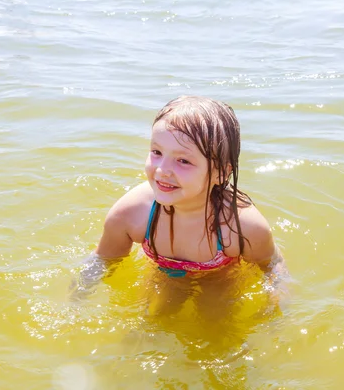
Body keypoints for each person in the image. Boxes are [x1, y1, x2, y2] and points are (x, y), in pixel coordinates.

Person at [77, 95, 288, 304]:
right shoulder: (131, 213)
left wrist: (276, 309)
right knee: (147, 327)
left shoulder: (243, 227)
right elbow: (103, 259)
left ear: (221, 173)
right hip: (162, 273)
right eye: (157, 152)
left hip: (219, 276)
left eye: (183, 160)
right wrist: (77, 297)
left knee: (216, 325)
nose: (162, 170)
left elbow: (272, 265)